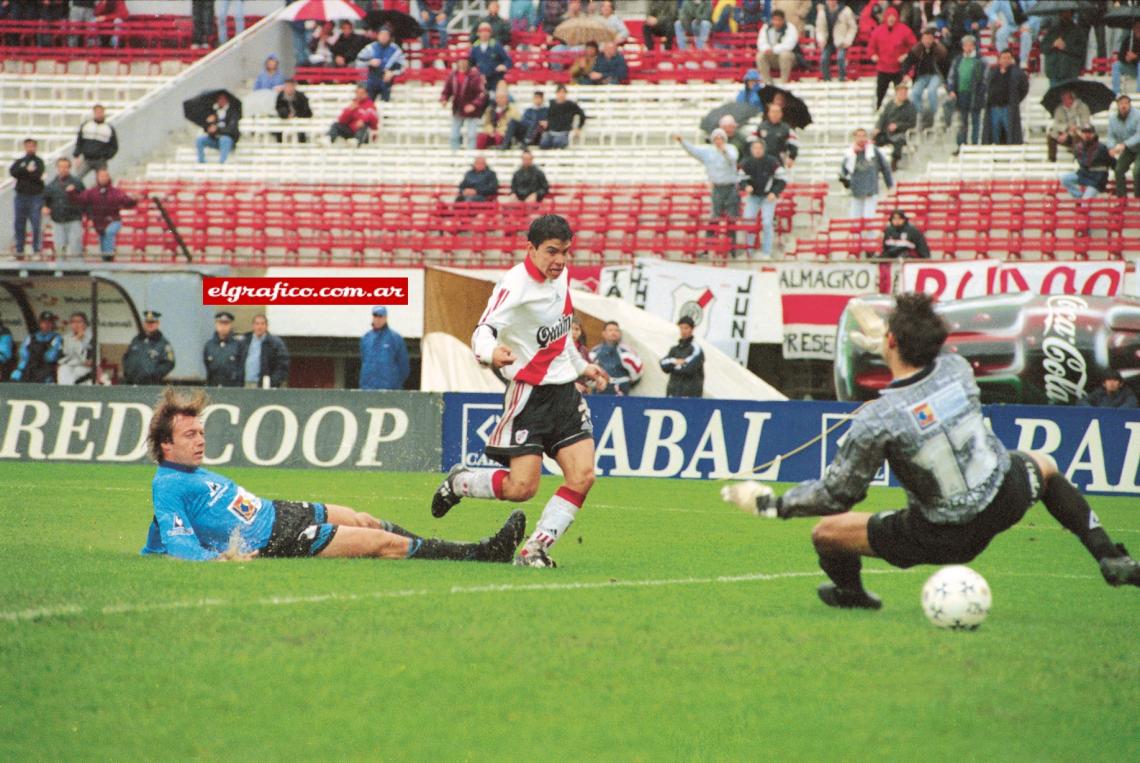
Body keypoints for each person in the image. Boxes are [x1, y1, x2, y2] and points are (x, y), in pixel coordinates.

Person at [722, 293, 1140, 609]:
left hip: (942, 534)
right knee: (1044, 466)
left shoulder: (878, 419)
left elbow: (838, 494)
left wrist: (770, 504)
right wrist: (886, 342)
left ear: (890, 341)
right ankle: (1108, 556)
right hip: (1003, 496)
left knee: (827, 534)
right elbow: (926, 362)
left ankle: (853, 594)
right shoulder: (956, 370)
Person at [143, 387, 525, 563]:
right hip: (279, 538)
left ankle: (453, 549)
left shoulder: (187, 472)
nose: (200, 441)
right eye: (190, 435)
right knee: (380, 543)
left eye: (201, 433)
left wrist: (152, 547)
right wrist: (218, 559)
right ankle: (482, 553)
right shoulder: (168, 484)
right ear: (166, 445)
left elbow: (161, 534)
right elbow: (178, 542)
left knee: (366, 520)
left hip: (280, 511)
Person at [431, 215, 609, 568]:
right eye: (551, 252)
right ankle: (461, 482)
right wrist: (490, 352)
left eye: (566, 252)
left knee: (583, 476)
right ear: (530, 248)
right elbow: (484, 329)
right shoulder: (514, 285)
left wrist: (581, 367)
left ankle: (534, 550)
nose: (560, 261)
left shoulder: (561, 277)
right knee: (522, 488)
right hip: (529, 395)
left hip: (566, 395)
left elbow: (561, 333)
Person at [674, 129, 740, 256]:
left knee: (731, 219)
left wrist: (724, 151)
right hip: (717, 188)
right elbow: (693, 151)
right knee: (714, 218)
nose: (718, 141)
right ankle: (708, 247)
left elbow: (733, 159)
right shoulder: (708, 152)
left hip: (730, 187)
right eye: (716, 138)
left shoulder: (731, 148)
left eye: (720, 138)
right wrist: (683, 142)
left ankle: (732, 249)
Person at [68, 168, 137, 261]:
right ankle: (106, 261)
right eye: (101, 176)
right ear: (97, 178)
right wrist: (71, 193)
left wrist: (133, 200)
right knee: (103, 243)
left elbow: (127, 202)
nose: (103, 178)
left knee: (109, 232)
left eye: (105, 176)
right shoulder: (91, 192)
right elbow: (79, 200)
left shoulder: (116, 192)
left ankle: (109, 255)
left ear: (108, 177)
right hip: (99, 223)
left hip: (114, 220)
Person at [740, 138, 786, 258]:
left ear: (764, 149)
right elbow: (740, 179)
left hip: (768, 197)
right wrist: (746, 186)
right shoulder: (746, 163)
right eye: (755, 148)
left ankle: (767, 252)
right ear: (751, 150)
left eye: (759, 148)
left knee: (767, 222)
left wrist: (775, 192)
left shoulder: (772, 162)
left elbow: (783, 179)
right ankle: (748, 250)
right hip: (753, 197)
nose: (757, 150)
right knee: (748, 220)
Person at [839, 127, 894, 221]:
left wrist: (890, 185)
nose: (861, 139)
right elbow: (844, 171)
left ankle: (869, 236)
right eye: (859, 136)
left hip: (870, 189)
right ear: (855, 138)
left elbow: (885, 167)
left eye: (864, 136)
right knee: (855, 219)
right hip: (856, 189)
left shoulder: (873, 151)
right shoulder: (849, 153)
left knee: (869, 219)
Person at [867, 6, 916, 108]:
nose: (891, 18)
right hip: (883, 68)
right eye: (889, 16)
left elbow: (914, 46)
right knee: (880, 91)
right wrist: (873, 55)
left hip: (898, 69)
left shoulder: (904, 30)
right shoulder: (878, 31)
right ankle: (878, 107)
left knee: (900, 93)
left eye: (893, 16)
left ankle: (901, 110)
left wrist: (906, 55)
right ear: (885, 17)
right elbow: (871, 47)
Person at [945, 35, 985, 153]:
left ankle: (974, 145)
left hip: (975, 95)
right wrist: (951, 90)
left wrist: (980, 92)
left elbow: (984, 79)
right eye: (965, 45)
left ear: (973, 46)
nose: (967, 47)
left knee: (975, 120)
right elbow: (951, 77)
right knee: (962, 121)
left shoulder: (980, 60)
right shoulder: (958, 60)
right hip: (961, 94)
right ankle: (961, 145)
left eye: (969, 45)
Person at [903, 26, 948, 130]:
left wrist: (945, 80)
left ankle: (935, 114)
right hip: (921, 76)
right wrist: (905, 74)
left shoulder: (939, 50)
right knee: (915, 93)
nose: (927, 41)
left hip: (935, 75)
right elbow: (907, 62)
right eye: (925, 38)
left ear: (932, 39)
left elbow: (945, 66)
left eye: (929, 38)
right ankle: (921, 113)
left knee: (932, 91)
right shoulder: (916, 49)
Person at [982, 49, 1028, 146]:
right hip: (994, 108)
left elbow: (1024, 89)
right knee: (995, 134)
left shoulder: (1017, 73)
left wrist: (1015, 100)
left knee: (1010, 132)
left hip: (1008, 108)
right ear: (999, 60)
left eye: (1008, 58)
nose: (1006, 60)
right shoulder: (993, 72)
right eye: (1004, 58)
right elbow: (986, 86)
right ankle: (996, 156)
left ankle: (1011, 156)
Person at [441, 58, 488, 151]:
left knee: (471, 135)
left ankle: (471, 155)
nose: (462, 63)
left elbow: (482, 93)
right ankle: (454, 155)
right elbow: (447, 90)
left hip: (472, 110)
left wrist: (474, 105)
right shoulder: (453, 75)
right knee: (454, 135)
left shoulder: (475, 75)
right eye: (460, 61)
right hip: (457, 108)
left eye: (464, 61)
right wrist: (444, 99)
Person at [42, 158, 85, 259]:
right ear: (57, 168)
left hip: (73, 219)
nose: (63, 169)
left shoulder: (77, 183)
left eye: (65, 167)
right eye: (61, 166)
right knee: (59, 246)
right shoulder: (51, 185)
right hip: (57, 220)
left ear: (69, 168)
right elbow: (45, 199)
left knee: (75, 246)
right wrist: (44, 207)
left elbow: (84, 198)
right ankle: (60, 269)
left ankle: (77, 269)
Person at [359, 306, 409, 390]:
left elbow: (403, 365)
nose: (377, 319)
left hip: (389, 389)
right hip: (368, 388)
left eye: (380, 316)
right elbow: (364, 360)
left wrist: (395, 383)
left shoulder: (395, 338)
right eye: (375, 316)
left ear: (385, 318)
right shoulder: (366, 338)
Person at [10, 138, 44, 258]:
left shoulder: (39, 162)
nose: (30, 148)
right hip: (21, 196)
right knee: (19, 224)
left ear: (36, 147)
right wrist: (26, 170)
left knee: (35, 223)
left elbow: (37, 174)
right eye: (28, 146)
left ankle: (36, 249)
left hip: (35, 197)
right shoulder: (20, 161)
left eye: (32, 146)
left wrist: (23, 174)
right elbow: (13, 172)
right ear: (25, 147)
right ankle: (20, 250)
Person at [588, 321, 643, 396]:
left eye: (616, 330)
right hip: (600, 389)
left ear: (620, 334)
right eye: (610, 330)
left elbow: (637, 371)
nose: (613, 333)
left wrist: (626, 383)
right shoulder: (595, 351)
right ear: (603, 333)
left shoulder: (626, 351)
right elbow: (588, 371)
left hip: (621, 389)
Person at [121, 310, 175, 385]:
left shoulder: (163, 344)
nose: (150, 325)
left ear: (157, 324)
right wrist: (127, 372)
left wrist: (154, 375)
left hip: (150, 385)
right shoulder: (136, 340)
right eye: (147, 322)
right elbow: (126, 357)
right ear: (144, 323)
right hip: (131, 384)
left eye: (152, 322)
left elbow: (169, 363)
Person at [1061, 125, 1112, 200]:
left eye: (1089, 132)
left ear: (1094, 134)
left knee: (1085, 203)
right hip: (1084, 173)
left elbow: (1111, 162)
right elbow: (1066, 143)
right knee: (1065, 179)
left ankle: (1082, 201)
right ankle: (1079, 197)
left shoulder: (1101, 147)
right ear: (1081, 134)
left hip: (1097, 177)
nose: (1087, 135)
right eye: (1084, 133)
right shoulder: (1079, 146)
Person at [874, 82, 917, 171]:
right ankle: (876, 163)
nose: (903, 94)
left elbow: (912, 123)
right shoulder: (890, 104)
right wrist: (878, 127)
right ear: (896, 93)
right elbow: (882, 117)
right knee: (875, 140)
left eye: (905, 92)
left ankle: (894, 163)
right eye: (901, 92)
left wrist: (898, 125)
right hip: (887, 132)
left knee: (899, 140)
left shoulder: (910, 106)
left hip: (901, 133)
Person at [356, 26, 406, 103]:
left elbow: (402, 67)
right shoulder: (370, 48)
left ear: (390, 37)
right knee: (369, 103)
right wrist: (369, 62)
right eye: (382, 35)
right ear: (378, 36)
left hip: (388, 82)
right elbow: (358, 62)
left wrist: (392, 73)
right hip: (372, 81)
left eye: (386, 35)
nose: (384, 37)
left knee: (386, 105)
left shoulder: (396, 50)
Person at [10, 311, 62, 383]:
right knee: (16, 378)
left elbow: (51, 357)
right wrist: (19, 369)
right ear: (40, 323)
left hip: (45, 368)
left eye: (49, 322)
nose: (46, 325)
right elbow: (23, 354)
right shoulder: (31, 337)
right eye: (44, 322)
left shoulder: (56, 337)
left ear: (53, 324)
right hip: (29, 367)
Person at [660, 316, 704, 398]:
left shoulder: (696, 349)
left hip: (690, 396)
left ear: (692, 329)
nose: (683, 331)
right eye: (681, 328)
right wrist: (675, 361)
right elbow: (663, 364)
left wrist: (672, 365)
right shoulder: (675, 349)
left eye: (686, 328)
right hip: (673, 394)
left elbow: (689, 368)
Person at [1107, 94, 1140, 199]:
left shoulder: (1138, 115)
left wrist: (1125, 144)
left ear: (1130, 104)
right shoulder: (1113, 119)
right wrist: (1111, 147)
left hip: (1136, 146)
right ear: (1117, 105)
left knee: (1137, 171)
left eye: (1126, 103)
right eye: (1121, 103)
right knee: (1119, 169)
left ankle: (1138, 198)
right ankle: (1122, 198)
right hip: (1128, 149)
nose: (1124, 106)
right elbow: (1111, 136)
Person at [243, 314, 289, 388]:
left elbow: (282, 365)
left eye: (262, 324)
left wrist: (273, 382)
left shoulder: (275, 343)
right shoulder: (245, 341)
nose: (259, 327)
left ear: (267, 326)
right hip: (246, 383)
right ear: (253, 326)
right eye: (257, 324)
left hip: (264, 385)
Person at [816, 0, 857, 83]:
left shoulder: (846, 10)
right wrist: (821, 39)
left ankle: (842, 78)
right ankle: (826, 79)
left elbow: (853, 27)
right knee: (824, 58)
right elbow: (819, 28)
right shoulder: (823, 12)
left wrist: (848, 40)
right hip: (828, 41)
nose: (831, 2)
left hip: (841, 41)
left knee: (840, 57)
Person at [1041, 9, 1083, 88]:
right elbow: (1043, 47)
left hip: (1070, 71)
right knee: (1054, 97)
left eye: (1067, 12)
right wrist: (1053, 45)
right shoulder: (1052, 30)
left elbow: (1081, 50)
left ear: (1071, 14)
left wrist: (1065, 47)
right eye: (1063, 12)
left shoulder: (1078, 31)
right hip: (1054, 69)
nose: (1065, 15)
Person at [756, 9, 799, 84]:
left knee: (785, 55)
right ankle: (767, 82)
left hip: (790, 59)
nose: (777, 22)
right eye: (775, 20)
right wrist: (766, 49)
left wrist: (773, 49)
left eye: (779, 20)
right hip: (772, 56)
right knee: (760, 56)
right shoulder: (766, 27)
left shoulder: (790, 28)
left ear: (783, 20)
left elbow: (789, 45)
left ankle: (783, 81)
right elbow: (761, 42)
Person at [203, 311, 245, 387]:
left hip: (232, 388)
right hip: (213, 387)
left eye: (226, 324)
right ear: (216, 325)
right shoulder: (209, 345)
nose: (223, 327)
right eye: (220, 323)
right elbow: (206, 367)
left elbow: (241, 370)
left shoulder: (238, 345)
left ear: (231, 325)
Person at [194, 92, 240, 164]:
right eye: (218, 99)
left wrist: (218, 129)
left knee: (224, 139)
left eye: (222, 99)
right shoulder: (214, 112)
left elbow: (232, 129)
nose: (220, 101)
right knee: (200, 140)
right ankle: (201, 161)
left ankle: (222, 162)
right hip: (215, 139)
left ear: (226, 100)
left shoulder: (233, 113)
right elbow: (207, 128)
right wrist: (208, 123)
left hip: (228, 140)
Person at [1048, 89, 1091, 163]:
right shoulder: (1059, 109)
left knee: (1076, 136)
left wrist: (1074, 129)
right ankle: (1052, 159)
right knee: (1051, 135)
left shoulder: (1083, 107)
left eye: (1066, 98)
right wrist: (1066, 129)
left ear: (1072, 98)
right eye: (1062, 98)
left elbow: (1085, 123)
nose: (1064, 101)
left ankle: (1077, 159)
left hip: (1079, 134)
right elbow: (1056, 124)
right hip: (1064, 133)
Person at [539, 85, 587, 149]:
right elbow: (544, 114)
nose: (561, 94)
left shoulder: (571, 105)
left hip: (564, 132)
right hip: (550, 131)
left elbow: (582, 115)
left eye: (563, 92)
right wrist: (544, 121)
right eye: (559, 92)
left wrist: (578, 127)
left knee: (557, 142)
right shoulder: (551, 104)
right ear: (556, 93)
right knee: (543, 143)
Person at [73, 104, 118, 173]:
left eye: (101, 112)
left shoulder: (108, 128)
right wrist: (77, 155)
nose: (99, 114)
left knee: (102, 180)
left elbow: (114, 146)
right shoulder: (86, 126)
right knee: (77, 178)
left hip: (100, 160)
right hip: (86, 159)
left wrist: (106, 156)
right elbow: (79, 142)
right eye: (97, 112)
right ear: (94, 113)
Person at [470, 21, 512, 93]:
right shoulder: (475, 47)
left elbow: (508, 61)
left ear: (490, 33)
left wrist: (504, 66)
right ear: (478, 33)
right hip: (481, 79)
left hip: (495, 78)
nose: (484, 33)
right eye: (482, 31)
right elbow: (471, 63)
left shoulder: (496, 45)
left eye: (487, 31)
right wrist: (473, 69)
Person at [755, 102, 798, 169]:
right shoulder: (761, 127)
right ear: (768, 113)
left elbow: (794, 145)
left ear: (781, 114)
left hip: (779, 161)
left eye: (777, 112)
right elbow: (753, 143)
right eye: (773, 112)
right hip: (763, 161)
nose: (775, 114)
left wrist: (791, 158)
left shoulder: (787, 128)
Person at [57, 312, 94, 385]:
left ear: (85, 324)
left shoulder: (91, 338)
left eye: (79, 322)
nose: (76, 325)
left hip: (84, 369)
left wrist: (79, 340)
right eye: (73, 322)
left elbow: (90, 361)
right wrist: (76, 339)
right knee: (63, 369)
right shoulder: (66, 338)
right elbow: (61, 358)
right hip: (68, 367)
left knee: (78, 371)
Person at [274, 79, 313, 143]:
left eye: (290, 86)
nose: (289, 89)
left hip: (301, 121)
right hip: (285, 120)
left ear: (294, 87)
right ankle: (280, 147)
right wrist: (287, 115)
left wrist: (295, 115)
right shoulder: (280, 96)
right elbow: (279, 108)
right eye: (287, 86)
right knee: (278, 130)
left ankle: (302, 148)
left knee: (300, 132)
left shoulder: (301, 96)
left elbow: (306, 110)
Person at [1113, 20, 1140, 96]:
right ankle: (1116, 92)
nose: (1138, 29)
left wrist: (1136, 57)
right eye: (1136, 27)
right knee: (1116, 65)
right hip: (1132, 68)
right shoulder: (1129, 40)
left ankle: (1138, 93)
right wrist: (1126, 58)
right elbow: (1120, 55)